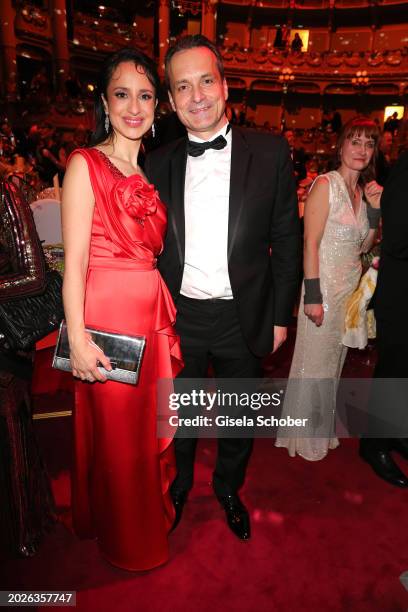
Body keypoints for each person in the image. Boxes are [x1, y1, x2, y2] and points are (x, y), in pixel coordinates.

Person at [145, 35, 301, 540]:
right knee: (181, 417)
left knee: (239, 416)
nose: (197, 96)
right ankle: (179, 487)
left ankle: (229, 488)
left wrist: (281, 318)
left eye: (205, 81)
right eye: (183, 87)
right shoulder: (158, 162)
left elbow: (286, 239)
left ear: (225, 85)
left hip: (245, 314)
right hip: (179, 314)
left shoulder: (271, 151)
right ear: (171, 101)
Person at [61, 48, 183, 571]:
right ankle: (125, 540)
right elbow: (74, 266)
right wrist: (80, 340)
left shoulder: (149, 170)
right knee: (116, 441)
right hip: (106, 320)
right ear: (105, 103)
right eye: (122, 94)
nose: (134, 106)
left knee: (143, 437)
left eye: (146, 95)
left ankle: (142, 525)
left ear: (158, 105)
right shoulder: (83, 164)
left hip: (151, 319)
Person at [275, 116, 381, 461]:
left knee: (334, 365)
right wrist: (314, 296)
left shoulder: (362, 194)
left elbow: (364, 246)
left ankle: (319, 430)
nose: (362, 150)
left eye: (369, 144)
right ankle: (305, 438)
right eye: (356, 141)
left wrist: (377, 214)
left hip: (349, 295)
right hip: (323, 291)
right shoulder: (326, 184)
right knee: (314, 365)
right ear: (341, 145)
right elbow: (310, 242)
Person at [0, 176, 55, 559]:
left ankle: (23, 530)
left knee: (10, 442)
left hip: (4, 343)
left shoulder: (4, 192)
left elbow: (35, 277)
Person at [359, 150, 408, 487]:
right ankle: (373, 444)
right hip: (401, 292)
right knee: (394, 369)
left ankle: (394, 433)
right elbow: (400, 239)